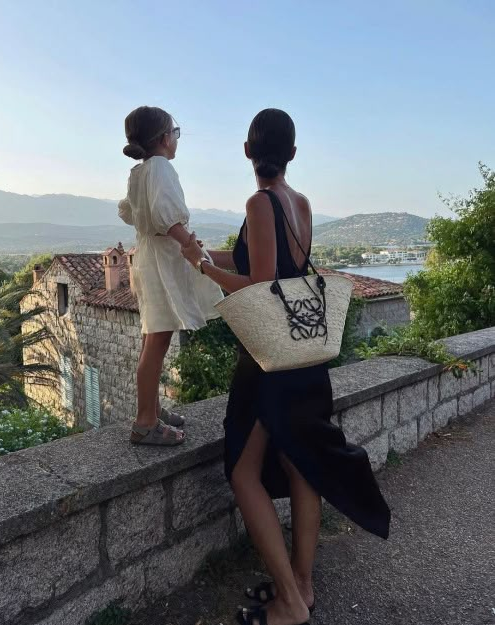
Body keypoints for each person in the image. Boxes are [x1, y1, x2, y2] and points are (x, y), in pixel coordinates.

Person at [181, 109, 391, 625]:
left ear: (247, 151)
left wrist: (204, 270)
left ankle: (290, 607)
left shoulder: (258, 201)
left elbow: (262, 281)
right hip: (305, 357)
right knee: (301, 464)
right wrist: (206, 255)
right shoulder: (301, 203)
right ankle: (302, 585)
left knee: (243, 471)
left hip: (267, 363)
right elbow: (275, 265)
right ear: (292, 154)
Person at [118, 106, 223, 446]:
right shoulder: (161, 167)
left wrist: (181, 238)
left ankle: (153, 408)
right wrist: (189, 244)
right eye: (175, 133)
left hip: (149, 255)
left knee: (153, 338)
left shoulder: (141, 171)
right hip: (162, 259)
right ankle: (145, 422)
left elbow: (132, 213)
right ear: (165, 138)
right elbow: (166, 215)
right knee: (158, 339)